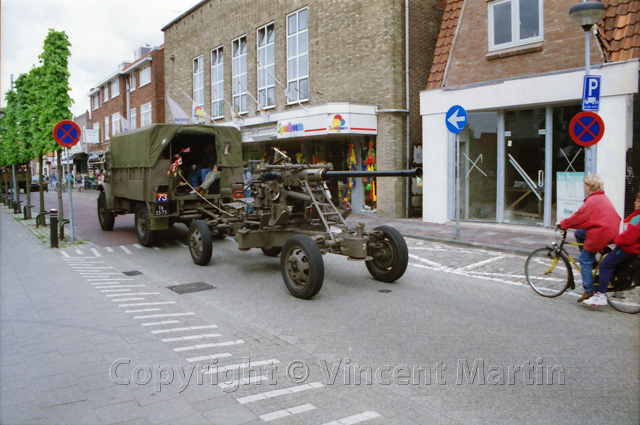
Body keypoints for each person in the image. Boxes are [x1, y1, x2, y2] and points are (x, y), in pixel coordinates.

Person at [557, 174, 621, 302]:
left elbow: (579, 216)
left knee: (584, 259)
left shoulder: (592, 201)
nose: (584, 188)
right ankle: (593, 260)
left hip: (601, 233)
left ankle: (588, 290)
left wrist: (562, 224)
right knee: (579, 233)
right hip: (610, 231)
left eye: (584, 186)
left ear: (590, 187)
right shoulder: (601, 197)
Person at [583, 220, 640, 306]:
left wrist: (616, 239)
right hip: (634, 249)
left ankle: (600, 295)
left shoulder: (638, 219)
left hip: (627, 248)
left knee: (605, 266)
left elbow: (628, 238)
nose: (635, 205)